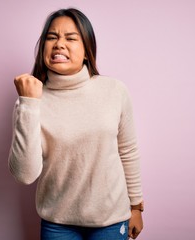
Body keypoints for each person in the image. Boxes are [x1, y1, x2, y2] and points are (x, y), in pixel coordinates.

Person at [8, 8, 144, 240]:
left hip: (111, 220)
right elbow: (25, 175)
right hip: (58, 223)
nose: (59, 44)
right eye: (52, 37)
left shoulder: (114, 90)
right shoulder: (30, 101)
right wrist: (29, 103)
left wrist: (136, 206)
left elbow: (128, 151)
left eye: (70, 38)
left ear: (87, 51)